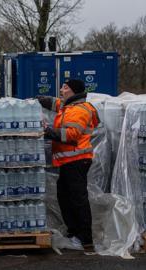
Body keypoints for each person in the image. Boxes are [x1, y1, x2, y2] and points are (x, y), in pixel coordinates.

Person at [36, 79, 99, 252]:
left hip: (77, 161)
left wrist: (47, 131)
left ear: (73, 91)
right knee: (64, 197)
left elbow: (70, 135)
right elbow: (56, 103)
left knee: (78, 200)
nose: (61, 90)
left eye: (65, 87)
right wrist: (38, 99)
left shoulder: (79, 110)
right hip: (68, 161)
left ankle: (85, 240)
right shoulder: (69, 106)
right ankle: (74, 234)